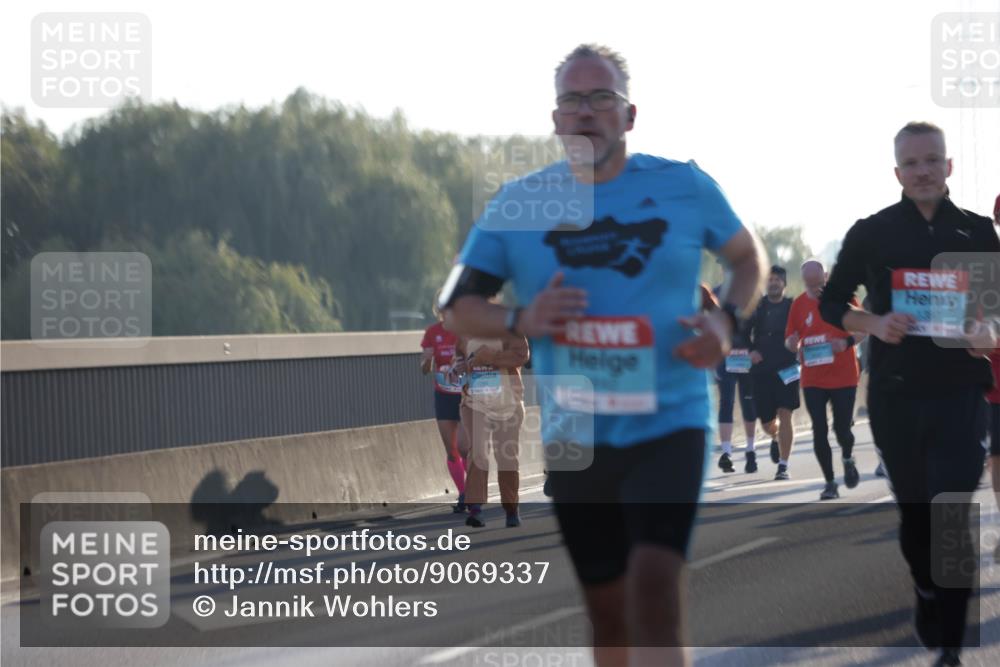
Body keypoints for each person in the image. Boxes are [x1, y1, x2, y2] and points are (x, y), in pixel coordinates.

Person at [439, 44, 765, 667]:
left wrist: (724, 321)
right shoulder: (520, 203)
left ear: (629, 115)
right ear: (556, 119)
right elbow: (456, 304)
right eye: (572, 99)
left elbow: (746, 259)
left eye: (601, 98)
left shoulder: (683, 186)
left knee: (655, 590)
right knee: (608, 611)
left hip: (668, 422)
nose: (585, 111)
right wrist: (519, 318)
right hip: (576, 434)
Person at [819, 121, 999, 667]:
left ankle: (949, 645)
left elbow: (994, 313)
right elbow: (832, 304)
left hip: (961, 396)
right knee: (917, 519)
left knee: (950, 515)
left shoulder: (977, 234)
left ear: (949, 167)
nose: (922, 171)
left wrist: (986, 335)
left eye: (932, 160)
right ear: (897, 172)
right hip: (896, 396)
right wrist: (871, 324)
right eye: (912, 163)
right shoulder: (872, 232)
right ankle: (925, 589)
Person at [785, 259, 865, 499]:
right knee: (818, 429)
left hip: (844, 375)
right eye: (810, 286)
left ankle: (848, 458)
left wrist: (847, 342)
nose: (816, 290)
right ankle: (830, 482)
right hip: (813, 377)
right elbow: (790, 338)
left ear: (826, 278)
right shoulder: (798, 305)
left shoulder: (844, 299)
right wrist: (791, 344)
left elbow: (865, 328)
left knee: (842, 429)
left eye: (819, 284)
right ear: (804, 283)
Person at [456, 329, 530, 528]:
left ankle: (511, 509)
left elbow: (522, 355)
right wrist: (459, 367)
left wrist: (491, 357)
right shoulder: (464, 331)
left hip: (508, 401)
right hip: (475, 401)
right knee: (478, 451)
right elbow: (459, 356)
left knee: (506, 456)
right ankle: (475, 509)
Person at [747, 265, 799, 480]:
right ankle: (775, 436)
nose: (773, 282)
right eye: (770, 279)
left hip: (788, 368)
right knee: (767, 422)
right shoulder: (756, 307)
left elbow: (808, 327)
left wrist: (800, 343)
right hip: (762, 371)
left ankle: (784, 466)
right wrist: (750, 351)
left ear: (784, 283)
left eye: (778, 279)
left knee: (786, 413)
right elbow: (740, 333)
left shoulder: (793, 306)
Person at [420, 297, 470, 512]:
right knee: (451, 450)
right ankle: (464, 493)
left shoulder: (466, 331)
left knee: (464, 448)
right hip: (443, 395)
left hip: (465, 394)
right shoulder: (432, 332)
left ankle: (473, 489)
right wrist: (427, 361)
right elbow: (424, 368)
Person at [712, 282, 759, 473]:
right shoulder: (715, 293)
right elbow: (711, 327)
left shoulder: (753, 290)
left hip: (746, 356)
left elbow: (761, 327)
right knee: (726, 401)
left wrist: (757, 350)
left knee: (748, 402)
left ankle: (750, 450)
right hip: (726, 357)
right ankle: (726, 452)